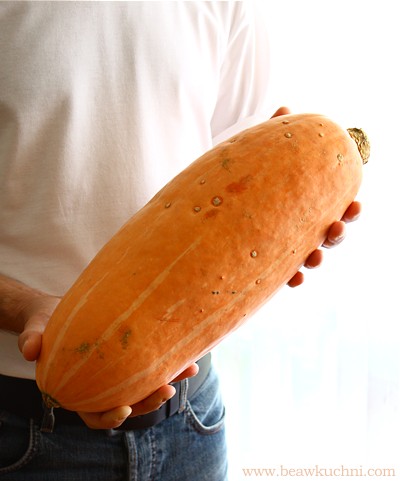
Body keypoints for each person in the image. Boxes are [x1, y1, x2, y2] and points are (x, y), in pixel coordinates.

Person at [0, 2, 361, 480]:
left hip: (192, 421)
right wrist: (23, 306)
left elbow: (245, 181)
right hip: (21, 431)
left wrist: (292, 226)